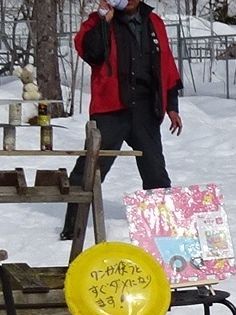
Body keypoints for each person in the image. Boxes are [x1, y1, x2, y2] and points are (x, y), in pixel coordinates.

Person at [60, 0, 183, 240]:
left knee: (155, 170)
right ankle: (72, 229)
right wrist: (103, 22)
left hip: (145, 109)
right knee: (91, 168)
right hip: (110, 109)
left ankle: (163, 229)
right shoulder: (98, 20)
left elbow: (166, 64)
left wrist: (172, 106)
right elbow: (91, 53)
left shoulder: (154, 22)